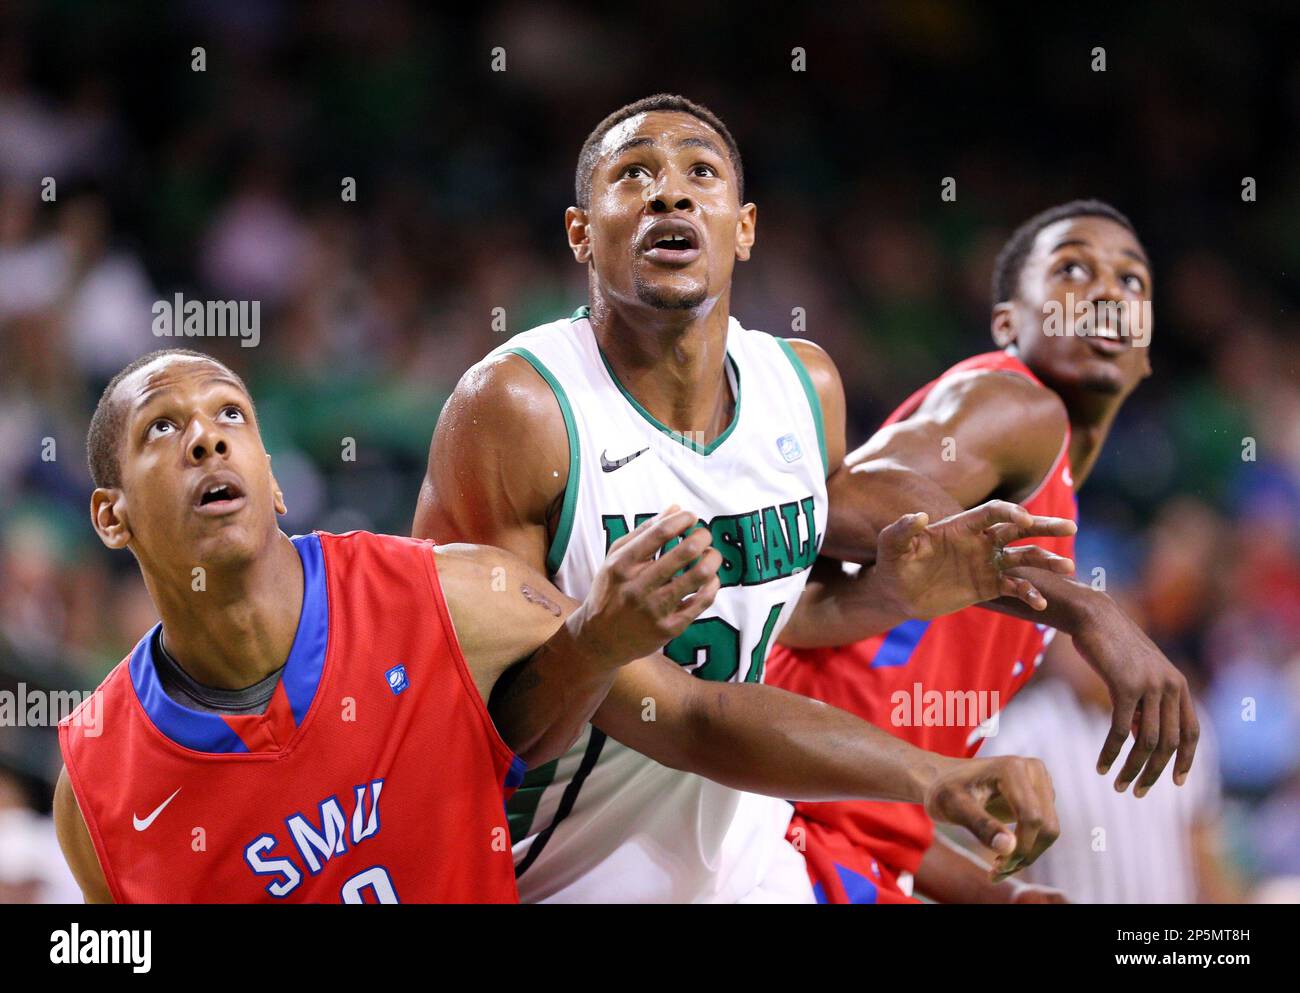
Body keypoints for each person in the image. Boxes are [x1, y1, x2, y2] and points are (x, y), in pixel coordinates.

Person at [412, 94, 1076, 903]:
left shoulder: (802, 386)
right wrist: (593, 641)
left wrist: (886, 593)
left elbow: (770, 620)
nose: (670, 193)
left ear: (746, 226)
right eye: (633, 175)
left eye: (700, 171)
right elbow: (503, 723)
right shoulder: (517, 409)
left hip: (749, 864)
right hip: (553, 871)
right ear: (581, 233)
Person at [55, 348, 726, 903]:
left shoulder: (445, 595)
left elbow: (689, 711)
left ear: (275, 480)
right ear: (112, 517)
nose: (206, 437)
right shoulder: (97, 790)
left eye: (231, 412)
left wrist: (601, 639)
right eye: (162, 428)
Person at [767, 200, 1200, 903]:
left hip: (822, 827)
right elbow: (832, 500)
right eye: (1072, 269)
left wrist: (1004, 895)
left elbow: (885, 812)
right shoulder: (1017, 404)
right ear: (1008, 323)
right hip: (769, 818)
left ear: (1146, 347)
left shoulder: (1050, 495)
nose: (1106, 293)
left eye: (1132, 283)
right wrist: (1088, 610)